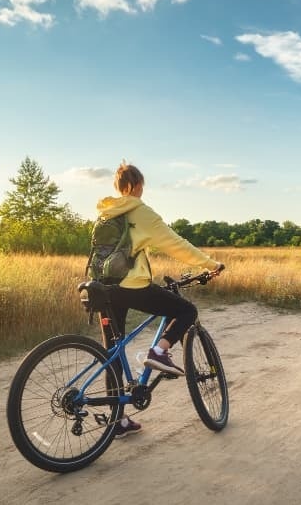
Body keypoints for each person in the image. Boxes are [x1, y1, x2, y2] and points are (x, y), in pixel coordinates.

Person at [96, 162, 224, 436]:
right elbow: (174, 242)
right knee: (187, 311)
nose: (143, 190)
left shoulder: (105, 214)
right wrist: (209, 263)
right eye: (141, 185)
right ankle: (158, 351)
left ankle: (117, 421)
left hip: (102, 288)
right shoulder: (139, 211)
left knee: (112, 353)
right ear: (133, 186)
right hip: (130, 285)